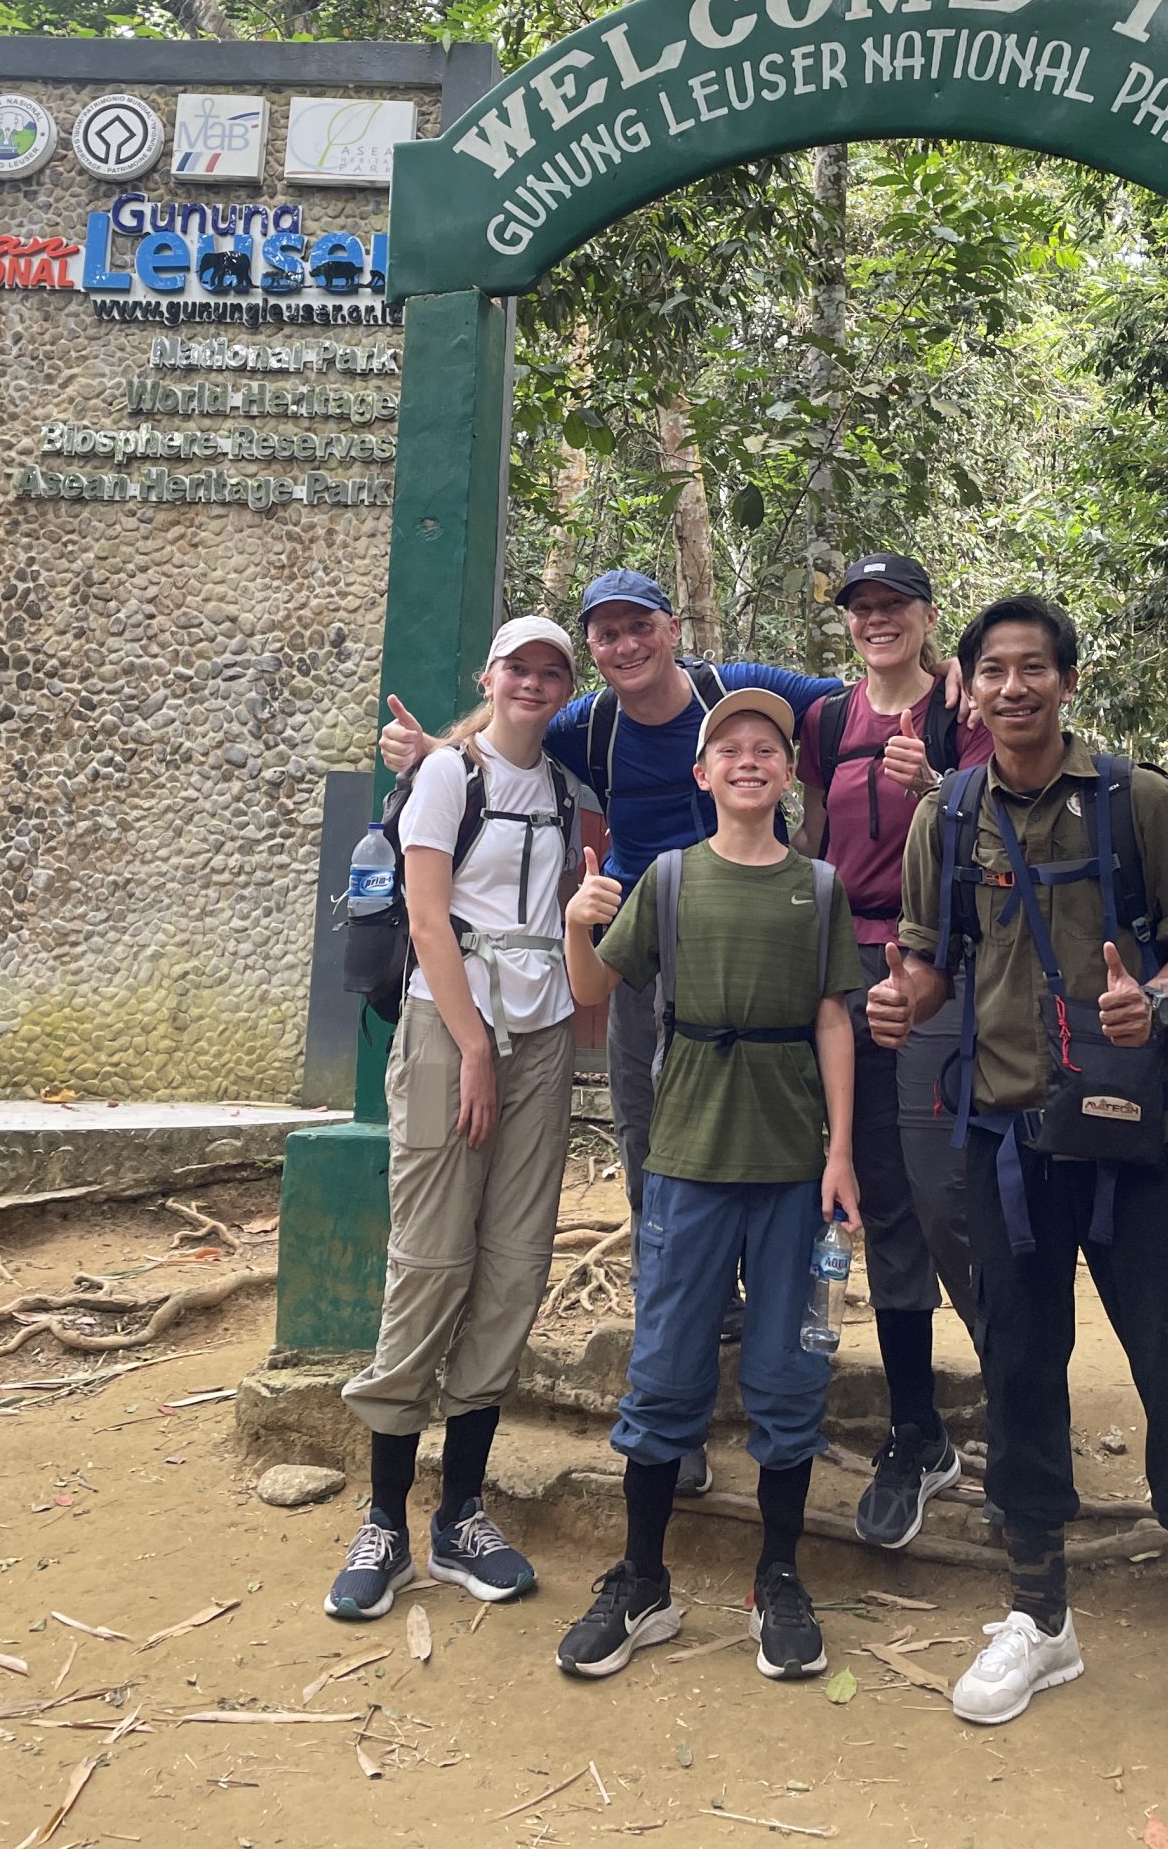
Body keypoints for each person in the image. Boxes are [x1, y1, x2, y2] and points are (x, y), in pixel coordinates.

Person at [867, 594, 1168, 1756]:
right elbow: (935, 964)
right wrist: (902, 1000)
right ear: (970, 689)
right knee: (1022, 1370)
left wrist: (1161, 996)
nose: (1013, 688)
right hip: (1008, 1146)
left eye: (1035, 669)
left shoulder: (1140, 799)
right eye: (993, 671)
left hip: (1138, 1148)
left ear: (1068, 683)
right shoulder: (951, 813)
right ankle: (1038, 1611)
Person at [381, 568, 843, 1495]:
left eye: (640, 628)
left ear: (672, 630)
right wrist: (433, 751)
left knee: (763, 1150)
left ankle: (765, 1367)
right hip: (576, 976)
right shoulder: (576, 727)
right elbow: (493, 757)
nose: (624, 647)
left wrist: (945, 681)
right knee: (639, 1152)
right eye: (605, 636)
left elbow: (855, 700)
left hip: (684, 967)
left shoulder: (729, 692)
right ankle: (673, 1394)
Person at [555, 690, 863, 1682]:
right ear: (701, 773)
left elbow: (831, 1020)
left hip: (790, 1173)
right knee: (664, 1371)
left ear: (787, 775)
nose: (746, 759)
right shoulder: (671, 880)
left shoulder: (816, 889)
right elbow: (595, 992)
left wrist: (842, 1151)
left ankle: (779, 1574)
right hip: (686, 1165)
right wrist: (576, 922)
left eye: (765, 748)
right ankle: (642, 1577)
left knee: (788, 1374)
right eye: (726, 747)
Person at [328, 616, 585, 1622]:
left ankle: (462, 1511)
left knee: (515, 1262)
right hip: (450, 1029)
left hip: (547, 1031)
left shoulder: (565, 788)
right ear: (491, 674)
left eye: (551, 670)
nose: (533, 682)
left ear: (565, 688)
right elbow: (428, 916)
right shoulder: (450, 774)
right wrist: (475, 1044)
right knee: (431, 1257)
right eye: (518, 666)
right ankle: (385, 1517)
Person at [789, 553, 990, 1551]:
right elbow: (820, 836)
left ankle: (1026, 1419)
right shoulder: (826, 722)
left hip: (940, 967)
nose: (877, 622)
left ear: (926, 616)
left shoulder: (963, 716)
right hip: (847, 967)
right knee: (883, 1192)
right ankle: (917, 1431)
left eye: (893, 607)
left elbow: (1008, 833)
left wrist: (943, 781)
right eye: (862, 609)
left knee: (951, 1190)